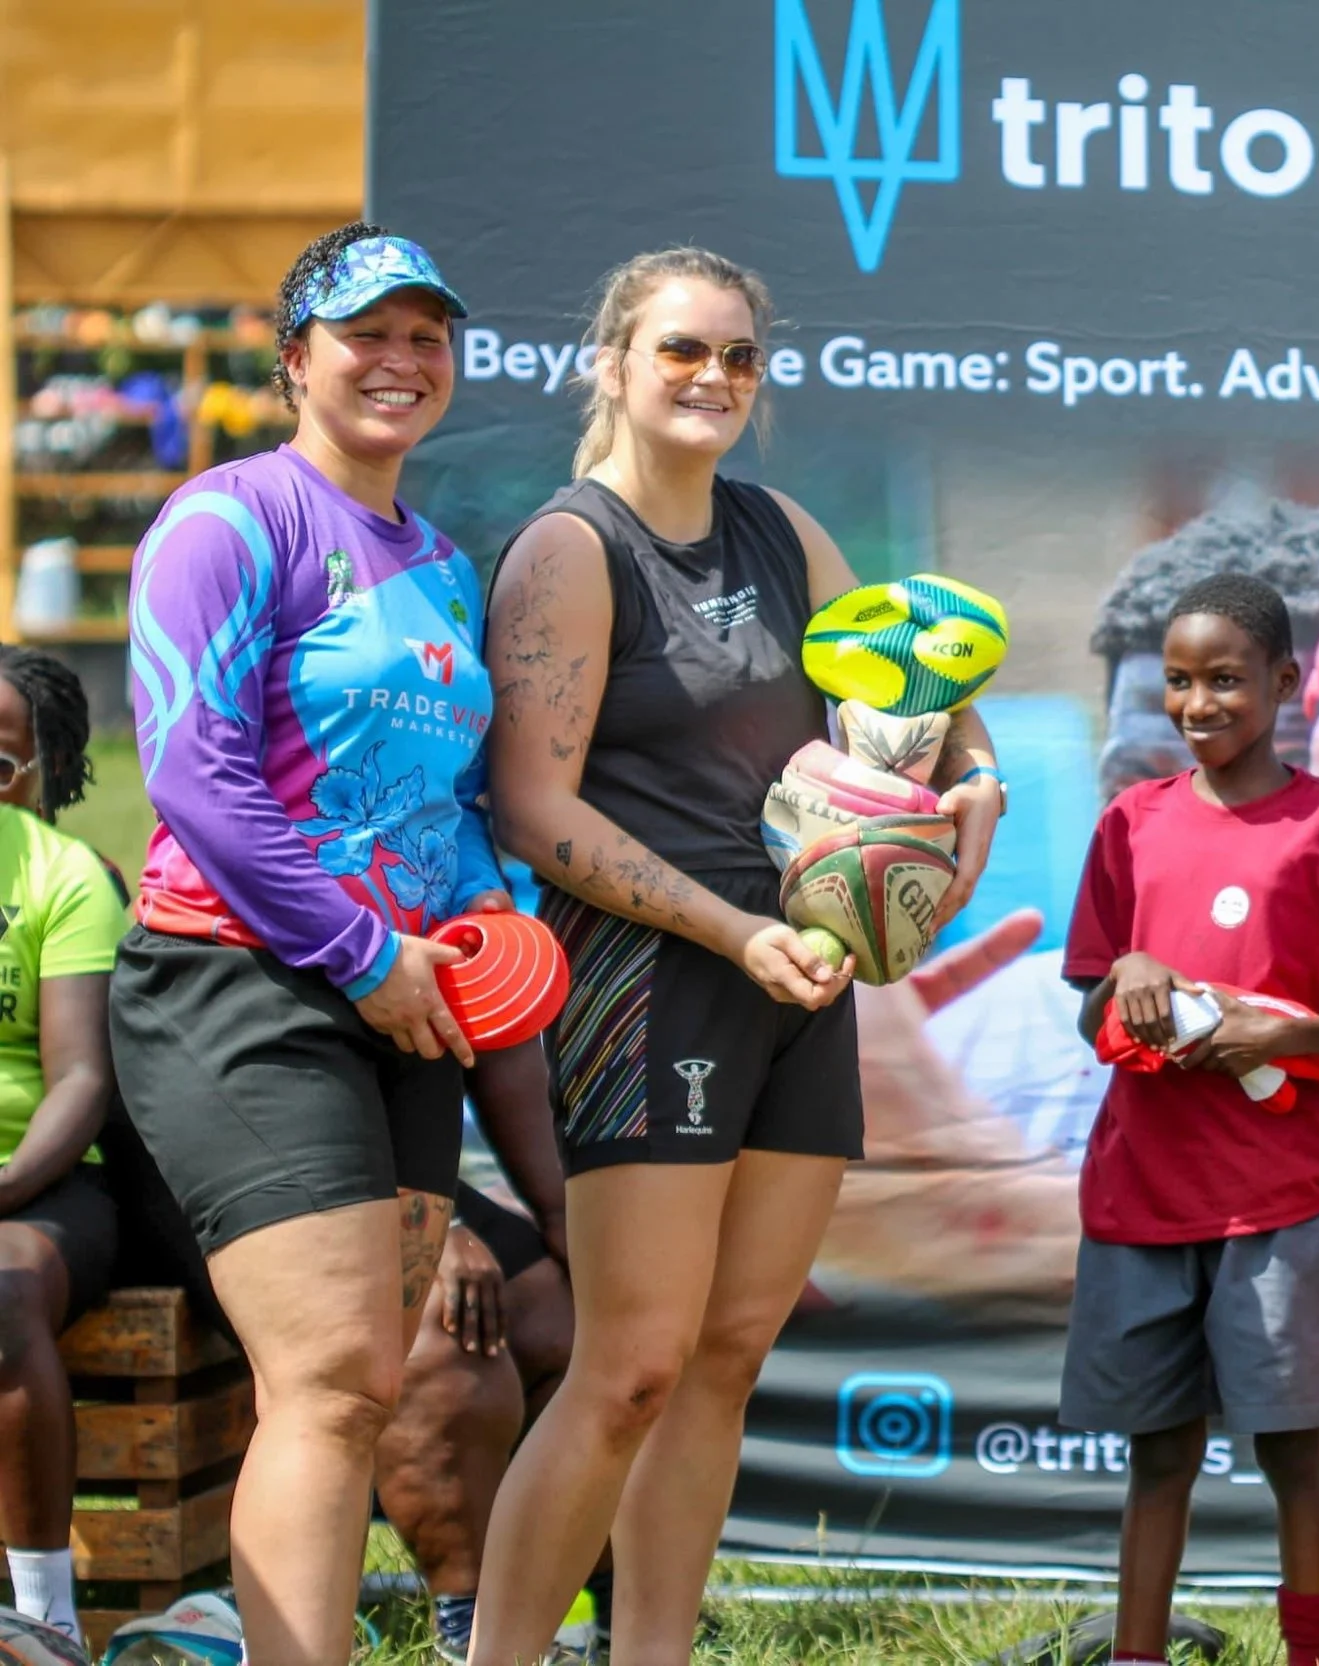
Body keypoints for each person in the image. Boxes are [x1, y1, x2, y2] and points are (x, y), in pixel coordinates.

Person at [470, 246, 1005, 1664]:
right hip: (656, 973)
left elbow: (923, 685)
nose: (712, 379)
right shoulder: (569, 549)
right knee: (631, 1365)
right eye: (681, 352)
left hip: (800, 972)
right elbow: (533, 805)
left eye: (737, 359)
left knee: (726, 1353)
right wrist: (735, 929)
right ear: (614, 365)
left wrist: (976, 786)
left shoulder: (785, 530)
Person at [110, 223, 505, 1665]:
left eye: (426, 338)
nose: (400, 363)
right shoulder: (229, 519)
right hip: (240, 982)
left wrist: (488, 927)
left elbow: (450, 802)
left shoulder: (449, 569)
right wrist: (360, 951)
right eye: (365, 334)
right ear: (294, 360)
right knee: (333, 1376)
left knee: (354, 1387)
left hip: (401, 999)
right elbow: (195, 776)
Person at [1060, 573, 1319, 1666]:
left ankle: (1311, 1653)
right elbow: (1097, 996)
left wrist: (1272, 1035)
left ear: (1286, 681)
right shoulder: (1131, 821)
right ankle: (1136, 1652)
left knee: (1292, 1449)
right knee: (1159, 1454)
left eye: (1227, 679)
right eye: (1181, 682)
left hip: (1280, 1196)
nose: (1199, 704)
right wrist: (1135, 976)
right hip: (1143, 1190)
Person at [375, 1037, 605, 1666]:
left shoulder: (463, 937)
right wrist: (428, 1226)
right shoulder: (320, 941)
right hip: (268, 1160)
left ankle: (610, 1605)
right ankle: (469, 1626)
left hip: (401, 1166)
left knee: (580, 1333)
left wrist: (564, 1216)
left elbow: (500, 1045)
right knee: (447, 1330)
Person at [0, 649, 124, 1645]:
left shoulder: (65, 875)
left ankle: (44, 1622)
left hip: (41, 1188)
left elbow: (81, 1078)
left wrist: (3, 1184)